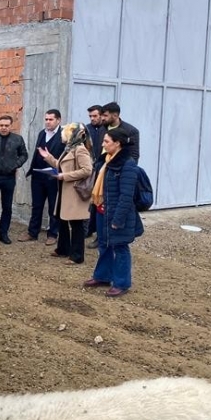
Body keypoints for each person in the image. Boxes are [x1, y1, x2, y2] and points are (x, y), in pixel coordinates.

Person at [83, 127, 144, 297]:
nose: (103, 145)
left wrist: (118, 219)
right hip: (102, 210)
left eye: (106, 142)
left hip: (117, 214)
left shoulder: (127, 164)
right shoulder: (106, 160)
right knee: (104, 244)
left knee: (120, 246)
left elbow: (126, 195)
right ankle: (102, 276)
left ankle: (121, 283)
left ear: (117, 144)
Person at [38, 122, 93, 264]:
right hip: (64, 190)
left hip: (74, 191)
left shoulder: (80, 149)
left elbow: (87, 170)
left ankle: (77, 256)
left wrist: (65, 176)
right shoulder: (69, 148)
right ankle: (63, 248)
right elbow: (60, 165)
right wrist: (48, 157)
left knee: (76, 224)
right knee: (62, 219)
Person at [19, 109, 65, 246]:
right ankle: (33, 232)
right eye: (46, 119)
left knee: (53, 206)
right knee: (37, 205)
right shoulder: (41, 133)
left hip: (53, 176)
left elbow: (64, 157)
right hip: (38, 176)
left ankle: (53, 234)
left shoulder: (63, 135)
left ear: (58, 120)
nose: (47, 122)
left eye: (51, 119)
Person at [0, 115, 28, 245]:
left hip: (9, 178)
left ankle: (4, 233)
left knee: (7, 207)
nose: (4, 128)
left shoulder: (17, 139)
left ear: (10, 126)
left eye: (6, 125)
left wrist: (15, 164)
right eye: (2, 125)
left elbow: (24, 155)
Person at [85, 105, 106, 246]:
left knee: (100, 202)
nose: (92, 119)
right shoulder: (87, 129)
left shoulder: (107, 130)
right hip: (90, 169)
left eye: (95, 116)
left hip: (103, 169)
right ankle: (88, 229)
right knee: (89, 201)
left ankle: (100, 236)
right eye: (90, 116)